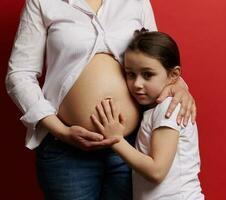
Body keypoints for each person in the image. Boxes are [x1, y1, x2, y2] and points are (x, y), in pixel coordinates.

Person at [6, 0, 196, 199]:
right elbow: (19, 74)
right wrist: (62, 132)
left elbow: (155, 55)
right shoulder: (42, 2)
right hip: (67, 149)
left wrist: (179, 85)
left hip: (133, 146)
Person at [91, 30, 204, 200]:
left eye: (147, 75)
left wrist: (116, 139)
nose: (137, 84)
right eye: (130, 74)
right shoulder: (153, 110)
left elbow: (157, 171)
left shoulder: (168, 108)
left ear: (173, 75)